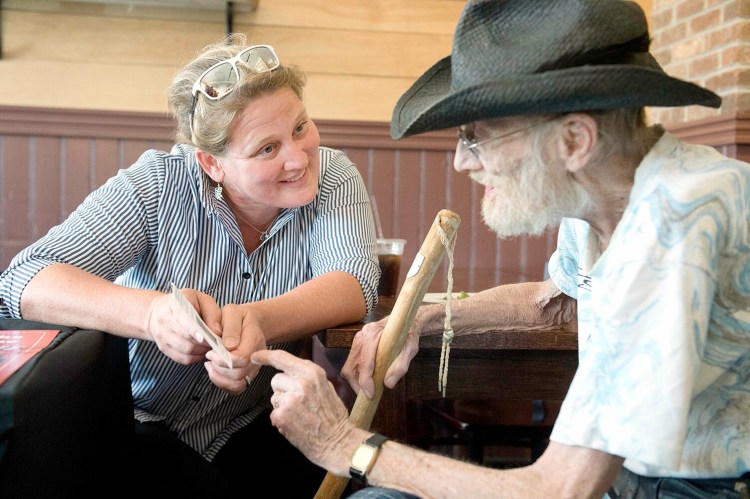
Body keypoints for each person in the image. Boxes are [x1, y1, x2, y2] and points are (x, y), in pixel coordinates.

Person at [251, 1, 750, 497]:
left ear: (575, 140)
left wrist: (344, 445)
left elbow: (559, 490)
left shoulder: (678, 217)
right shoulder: (602, 201)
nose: (461, 162)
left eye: (476, 136)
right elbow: (562, 304)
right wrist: (423, 316)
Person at [0, 34, 380, 497]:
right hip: (137, 422)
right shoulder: (157, 184)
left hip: (250, 420)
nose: (298, 159)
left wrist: (257, 321)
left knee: (360, 488)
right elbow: (26, 275)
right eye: (267, 149)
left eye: (300, 128)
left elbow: (353, 282)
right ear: (211, 163)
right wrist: (154, 314)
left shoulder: (334, 174)